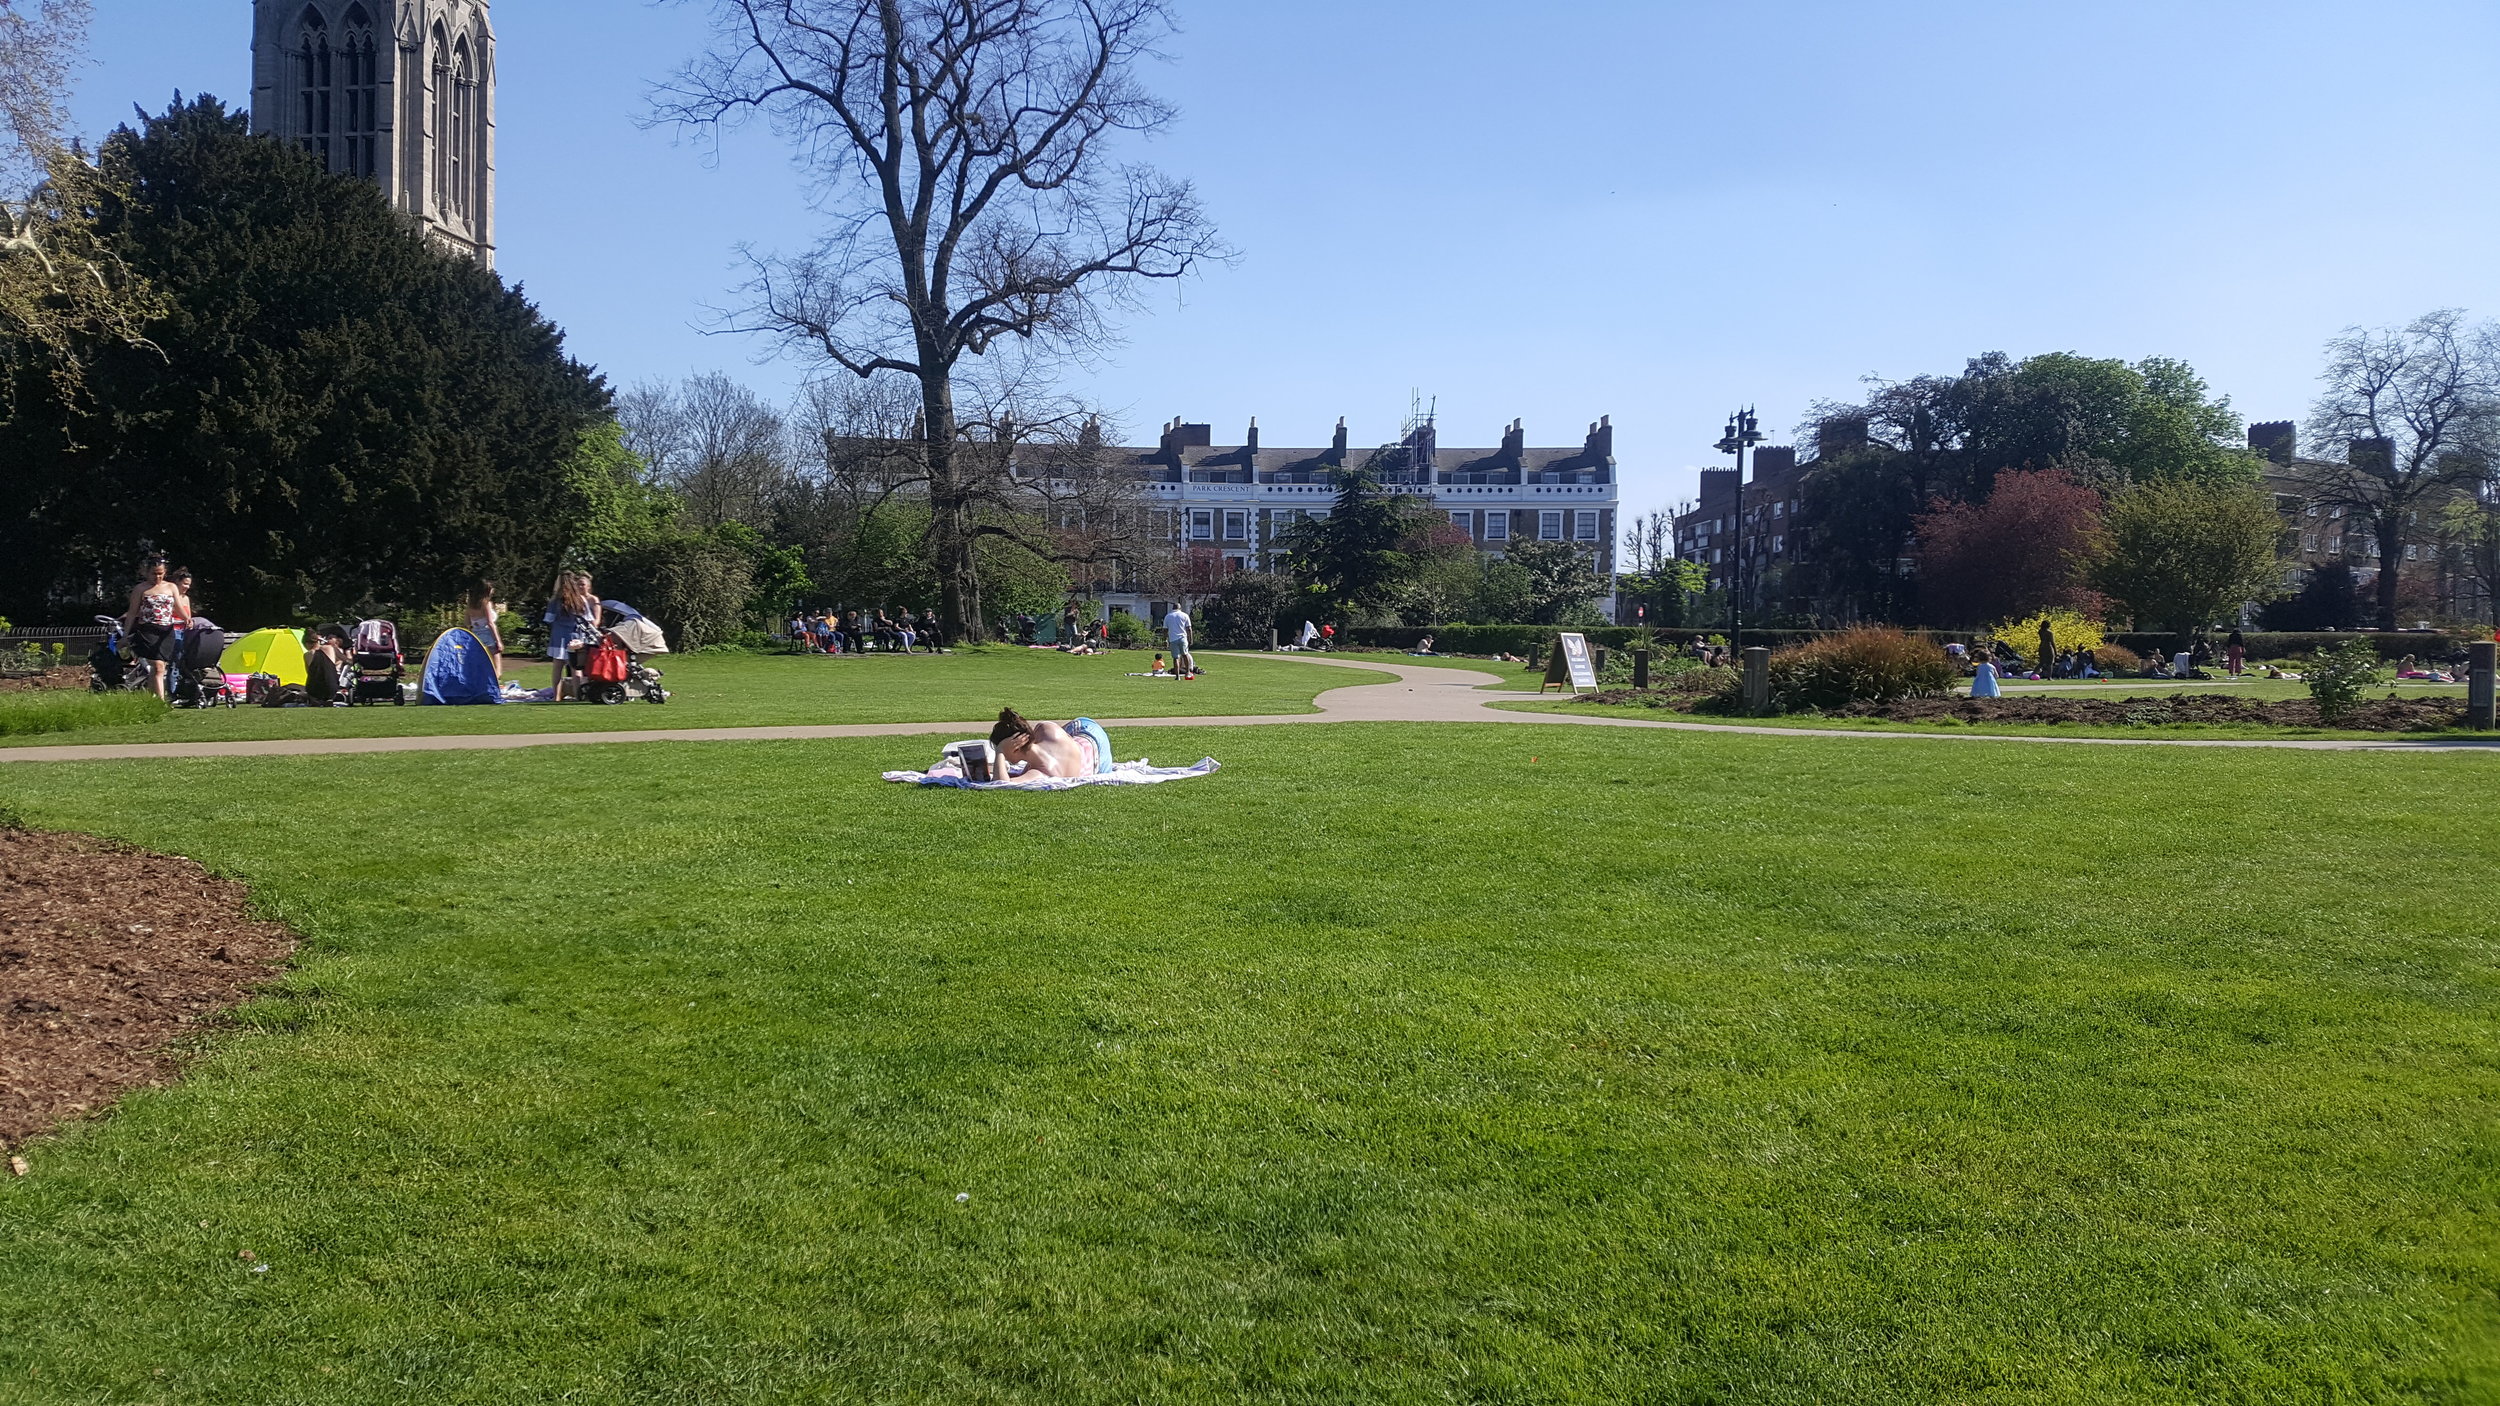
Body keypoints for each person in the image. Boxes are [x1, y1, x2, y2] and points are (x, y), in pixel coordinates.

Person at [119, 552, 190, 701]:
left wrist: (187, 619)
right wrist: (125, 635)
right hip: (148, 630)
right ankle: (161, 702)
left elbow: (178, 607)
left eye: (160, 574)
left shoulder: (171, 587)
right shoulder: (140, 589)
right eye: (153, 574)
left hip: (166, 631)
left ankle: (151, 701)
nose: (157, 577)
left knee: (158, 668)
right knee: (158, 667)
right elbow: (132, 613)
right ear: (146, 572)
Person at [991, 706, 1114, 778]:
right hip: (1089, 728)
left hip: (1100, 762)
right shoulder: (1044, 728)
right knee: (1066, 739)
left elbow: (1000, 783)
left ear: (1015, 747)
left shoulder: (1040, 773)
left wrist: (1000, 752)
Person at [543, 570, 600, 699]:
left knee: (557, 668)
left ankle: (556, 697)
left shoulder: (555, 601)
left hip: (558, 637)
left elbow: (549, 619)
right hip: (575, 637)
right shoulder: (580, 600)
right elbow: (588, 620)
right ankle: (578, 695)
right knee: (576, 669)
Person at [465, 581, 506, 679]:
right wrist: (498, 641)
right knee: (496, 659)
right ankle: (496, 679)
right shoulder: (486, 604)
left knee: (480, 660)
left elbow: (467, 622)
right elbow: (490, 623)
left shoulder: (470, 605)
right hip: (487, 632)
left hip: (476, 633)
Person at [304, 625, 350, 705]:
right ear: (318, 641)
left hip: (314, 690)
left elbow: (309, 673)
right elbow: (346, 660)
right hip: (332, 688)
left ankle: (316, 699)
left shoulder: (307, 654)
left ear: (307, 643)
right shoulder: (330, 648)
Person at [1163, 601, 1193, 674]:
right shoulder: (1185, 615)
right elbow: (1189, 629)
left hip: (1173, 639)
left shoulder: (1168, 616)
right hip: (1183, 638)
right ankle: (1188, 672)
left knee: (1176, 658)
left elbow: (1165, 630)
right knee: (1185, 655)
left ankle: (1177, 675)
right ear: (1180, 608)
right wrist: (1190, 639)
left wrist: (1165, 640)